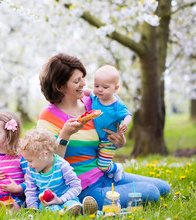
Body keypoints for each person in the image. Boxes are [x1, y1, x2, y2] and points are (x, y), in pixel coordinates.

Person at [37, 53, 170, 209]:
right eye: (76, 81)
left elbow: (106, 137)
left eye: (83, 78)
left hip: (104, 174)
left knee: (164, 187)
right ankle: (84, 204)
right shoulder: (48, 117)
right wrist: (65, 135)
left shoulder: (92, 102)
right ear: (60, 86)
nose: (83, 84)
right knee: (151, 193)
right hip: (81, 187)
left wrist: (119, 142)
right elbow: (49, 164)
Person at [20, 128, 91, 216]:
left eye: (30, 161)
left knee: (73, 205)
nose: (28, 165)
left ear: (44, 154)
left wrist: (61, 200)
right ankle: (67, 214)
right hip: (47, 204)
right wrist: (33, 209)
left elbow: (76, 186)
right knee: (52, 208)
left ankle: (91, 213)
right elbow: (31, 192)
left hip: (66, 199)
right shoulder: (30, 171)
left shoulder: (62, 165)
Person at [84, 65, 132, 182]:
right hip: (97, 139)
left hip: (108, 141)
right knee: (98, 161)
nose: (99, 89)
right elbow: (87, 91)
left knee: (103, 166)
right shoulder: (95, 96)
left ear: (115, 89)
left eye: (105, 87)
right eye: (96, 85)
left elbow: (127, 115)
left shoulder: (117, 105)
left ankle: (116, 168)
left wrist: (125, 123)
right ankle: (109, 172)